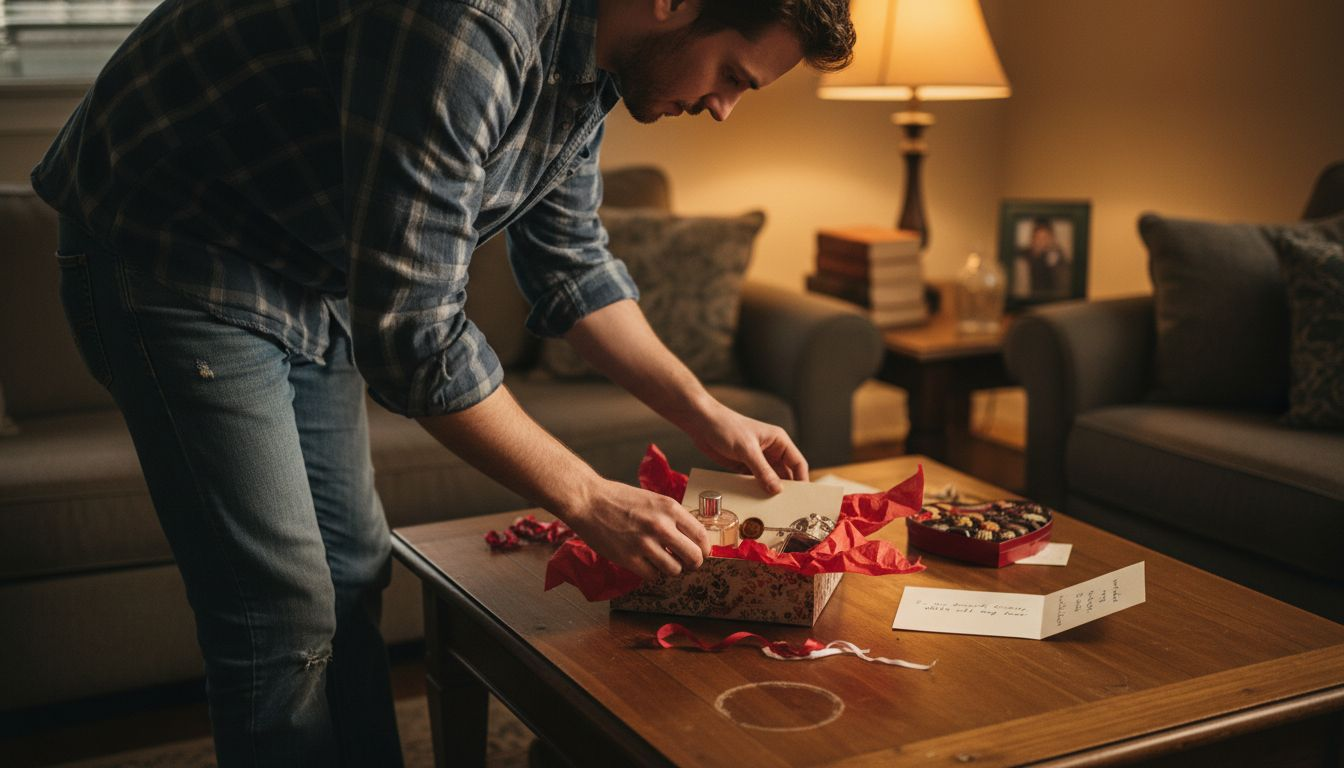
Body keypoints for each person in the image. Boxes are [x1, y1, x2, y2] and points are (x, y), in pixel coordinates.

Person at [31, 0, 856, 764]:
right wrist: (589, 496)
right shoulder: (471, 25)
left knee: (352, 569)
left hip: (303, 267)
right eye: (734, 78)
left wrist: (708, 414)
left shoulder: (593, 57)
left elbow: (570, 262)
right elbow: (416, 340)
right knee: (280, 616)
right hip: (168, 247)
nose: (723, 109)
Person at [1013, 217, 1072, 299]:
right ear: (1033, 239)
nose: (1041, 242)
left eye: (1044, 238)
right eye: (1038, 238)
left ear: (1051, 239)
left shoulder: (1056, 255)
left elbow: (1062, 281)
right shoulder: (1027, 252)